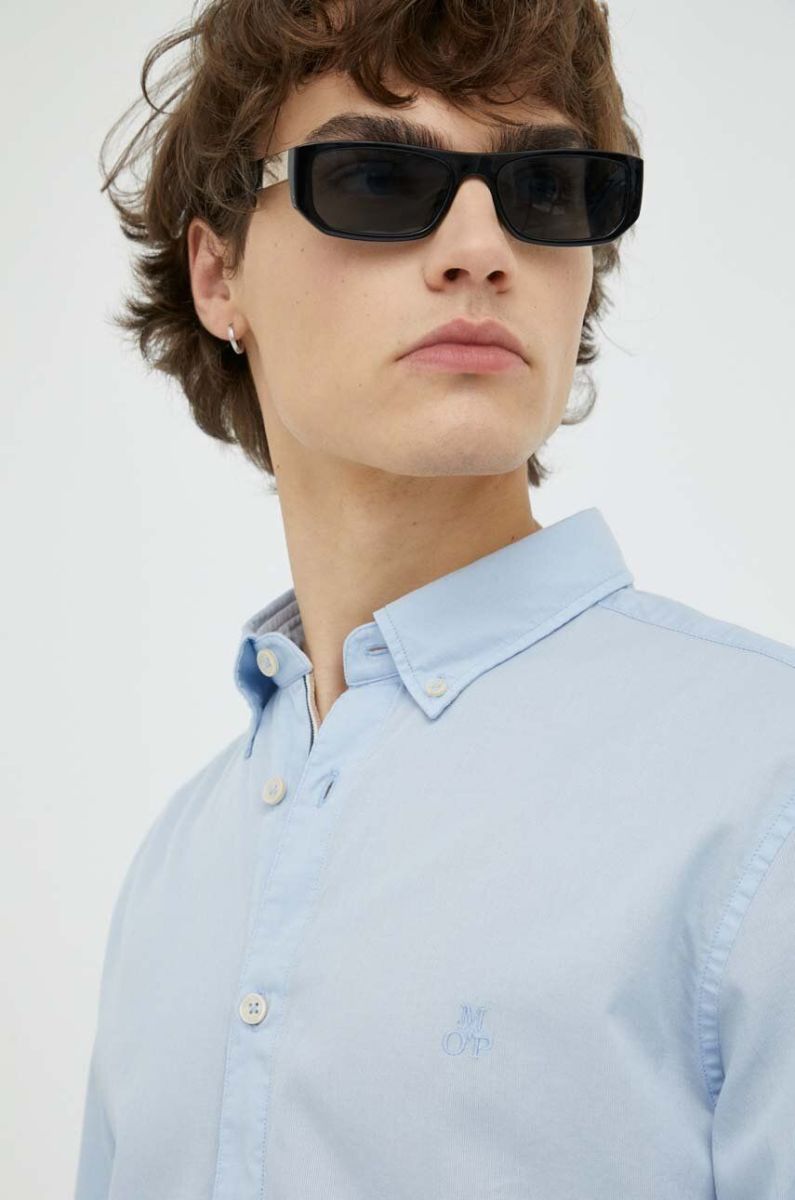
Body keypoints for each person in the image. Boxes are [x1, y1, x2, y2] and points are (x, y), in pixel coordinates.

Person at [75, 2, 794, 1198]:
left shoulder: (765, 785)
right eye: (376, 178)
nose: (479, 246)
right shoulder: (175, 869)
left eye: (545, 187)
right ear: (218, 274)